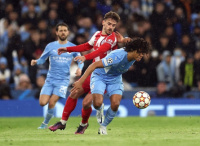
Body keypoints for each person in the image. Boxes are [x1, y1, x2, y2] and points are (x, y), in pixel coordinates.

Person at [49, 11, 129, 134]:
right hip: (94, 73)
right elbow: (87, 46)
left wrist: (85, 58)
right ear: (103, 22)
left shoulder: (112, 38)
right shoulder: (97, 34)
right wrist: (67, 49)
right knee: (74, 93)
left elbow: (99, 51)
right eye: (109, 24)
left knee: (87, 103)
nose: (110, 27)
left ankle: (83, 124)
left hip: (106, 75)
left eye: (113, 25)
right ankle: (63, 122)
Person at [71, 38, 150, 135]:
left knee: (116, 104)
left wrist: (123, 38)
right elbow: (94, 65)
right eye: (140, 52)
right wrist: (80, 81)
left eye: (143, 53)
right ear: (133, 50)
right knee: (97, 104)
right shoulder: (117, 56)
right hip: (100, 76)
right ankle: (99, 109)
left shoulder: (134, 55)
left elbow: (134, 42)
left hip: (115, 79)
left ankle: (103, 127)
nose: (141, 55)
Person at [31, 22, 84, 129]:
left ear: (68, 32)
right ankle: (46, 121)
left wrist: (79, 68)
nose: (63, 32)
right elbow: (42, 59)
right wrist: (36, 61)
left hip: (63, 81)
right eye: (61, 30)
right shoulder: (50, 46)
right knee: (42, 103)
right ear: (57, 32)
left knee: (52, 102)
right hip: (50, 80)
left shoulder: (73, 47)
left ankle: (45, 123)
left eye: (65, 30)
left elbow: (81, 60)